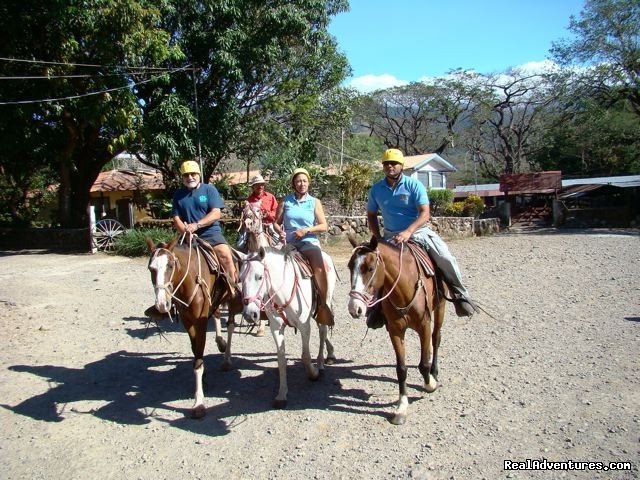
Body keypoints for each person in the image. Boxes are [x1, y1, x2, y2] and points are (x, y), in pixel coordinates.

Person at [367, 148, 476, 317]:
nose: (390, 166)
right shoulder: (376, 189)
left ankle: (460, 294)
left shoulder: (414, 185)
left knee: (445, 257)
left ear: (401, 166)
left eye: (394, 163)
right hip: (390, 235)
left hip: (419, 232)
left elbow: (425, 213)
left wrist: (408, 231)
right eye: (387, 163)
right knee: (371, 265)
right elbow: (371, 215)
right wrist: (379, 237)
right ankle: (376, 306)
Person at [274, 168, 334, 326]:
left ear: (309, 183)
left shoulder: (314, 202)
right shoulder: (286, 201)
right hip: (289, 244)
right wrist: (280, 231)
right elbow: (276, 223)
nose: (302, 184)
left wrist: (307, 230)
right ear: (293, 183)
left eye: (304, 181)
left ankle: (323, 304)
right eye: (298, 181)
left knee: (320, 267)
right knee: (268, 265)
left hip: (308, 243)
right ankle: (269, 306)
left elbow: (323, 226)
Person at [172, 160, 238, 283]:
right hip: (187, 237)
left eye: (193, 174)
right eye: (186, 175)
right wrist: (186, 233)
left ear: (199, 175)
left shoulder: (209, 190)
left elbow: (216, 213)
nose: (190, 177)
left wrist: (196, 225)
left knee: (226, 256)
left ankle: (233, 290)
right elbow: (176, 218)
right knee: (169, 262)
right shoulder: (178, 195)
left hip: (211, 234)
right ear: (182, 177)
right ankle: (171, 296)